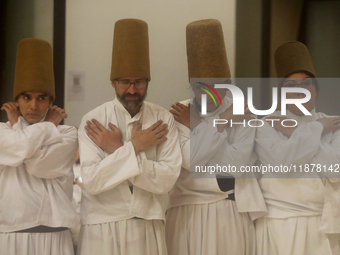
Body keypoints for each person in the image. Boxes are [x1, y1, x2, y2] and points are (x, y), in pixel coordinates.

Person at [76, 19, 182, 255]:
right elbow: (92, 181)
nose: (132, 90)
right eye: (125, 82)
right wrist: (134, 146)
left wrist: (119, 149)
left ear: (148, 82)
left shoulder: (162, 119)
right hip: (101, 225)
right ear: (113, 82)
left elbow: (167, 180)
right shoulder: (93, 120)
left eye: (139, 82)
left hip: (149, 222)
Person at [165, 19, 267, 255]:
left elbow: (237, 166)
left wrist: (201, 127)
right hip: (186, 211)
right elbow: (191, 160)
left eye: (217, 86)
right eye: (202, 86)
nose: (209, 93)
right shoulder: (180, 113)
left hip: (231, 212)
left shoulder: (243, 111)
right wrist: (222, 123)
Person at [255, 41, 340, 255]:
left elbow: (334, 169)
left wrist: (297, 132)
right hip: (277, 223)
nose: (299, 90)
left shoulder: (333, 123)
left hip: (322, 223)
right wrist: (315, 131)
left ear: (316, 90)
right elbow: (282, 163)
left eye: (306, 84)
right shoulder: (266, 124)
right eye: (290, 86)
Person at [0, 38, 78, 255]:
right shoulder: (2, 131)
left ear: (50, 102)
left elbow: (39, 166)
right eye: (27, 97)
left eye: (41, 98)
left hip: (55, 233)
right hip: (11, 232)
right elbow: (18, 148)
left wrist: (23, 135)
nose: (34, 106)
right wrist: (49, 125)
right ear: (16, 100)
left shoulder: (67, 132)